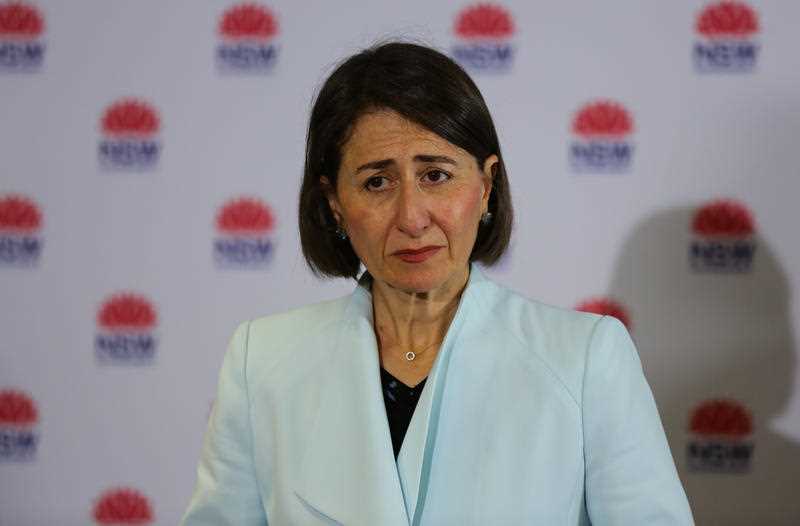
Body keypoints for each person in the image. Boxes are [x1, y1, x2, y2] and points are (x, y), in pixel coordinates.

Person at [181, 42, 693, 525]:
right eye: (377, 182)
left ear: (486, 185)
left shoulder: (584, 360)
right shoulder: (262, 362)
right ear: (334, 202)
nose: (411, 217)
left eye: (436, 175)